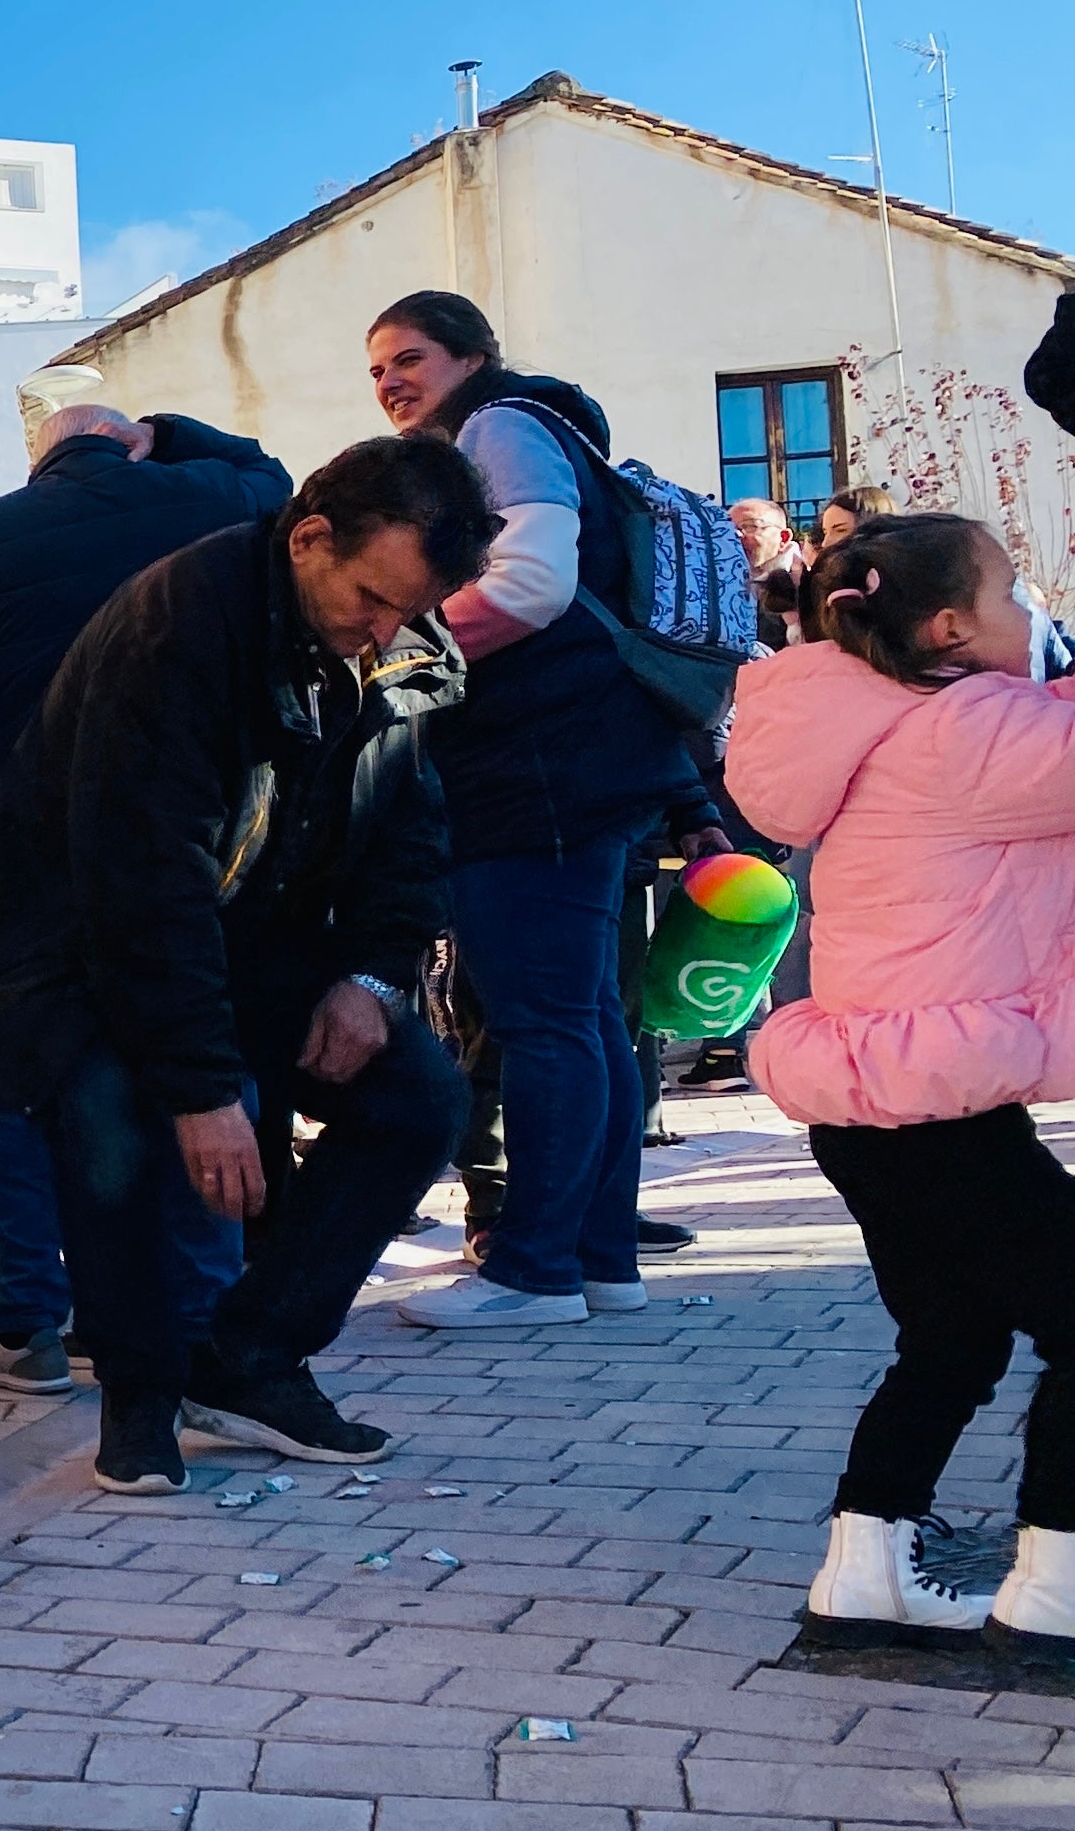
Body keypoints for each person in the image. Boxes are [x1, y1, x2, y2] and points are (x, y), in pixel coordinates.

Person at [0, 438, 488, 1493]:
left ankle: (249, 1359)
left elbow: (408, 827)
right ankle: (140, 1396)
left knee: (419, 1100)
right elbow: (142, 877)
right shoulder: (180, 627)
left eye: (410, 609)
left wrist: (376, 980)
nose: (385, 629)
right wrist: (206, 1090)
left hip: (255, 933)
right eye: (371, 598)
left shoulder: (397, 645)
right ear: (308, 539)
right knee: (119, 1119)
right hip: (76, 945)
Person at [0, 399, 292, 1391]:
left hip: (23, 837)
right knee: (195, 1049)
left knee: (16, 1073)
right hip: (194, 825)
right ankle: (200, 1320)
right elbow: (272, 472)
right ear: (127, 444)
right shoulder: (219, 497)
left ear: (42, 461)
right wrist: (180, 433)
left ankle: (24, 1325)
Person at [726, 512, 1075, 1659]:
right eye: (1012, 591)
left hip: (878, 1107)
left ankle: (863, 1570)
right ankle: (1057, 1586)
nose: (1031, 611)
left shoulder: (889, 726)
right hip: (937, 1111)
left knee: (954, 1336)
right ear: (946, 629)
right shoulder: (971, 730)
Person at [364, 292, 705, 1334]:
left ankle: (534, 1270)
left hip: (537, 772)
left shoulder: (498, 427)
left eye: (408, 357)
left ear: (473, 355)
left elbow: (529, 586)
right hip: (585, 764)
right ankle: (598, 1257)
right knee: (585, 1020)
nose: (388, 383)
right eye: (375, 369)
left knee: (546, 1025)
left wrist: (390, 666)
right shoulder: (532, 427)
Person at [734, 494, 810, 653]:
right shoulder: (719, 585)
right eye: (729, 529)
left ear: (783, 538)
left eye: (750, 526)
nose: (737, 535)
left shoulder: (807, 581)